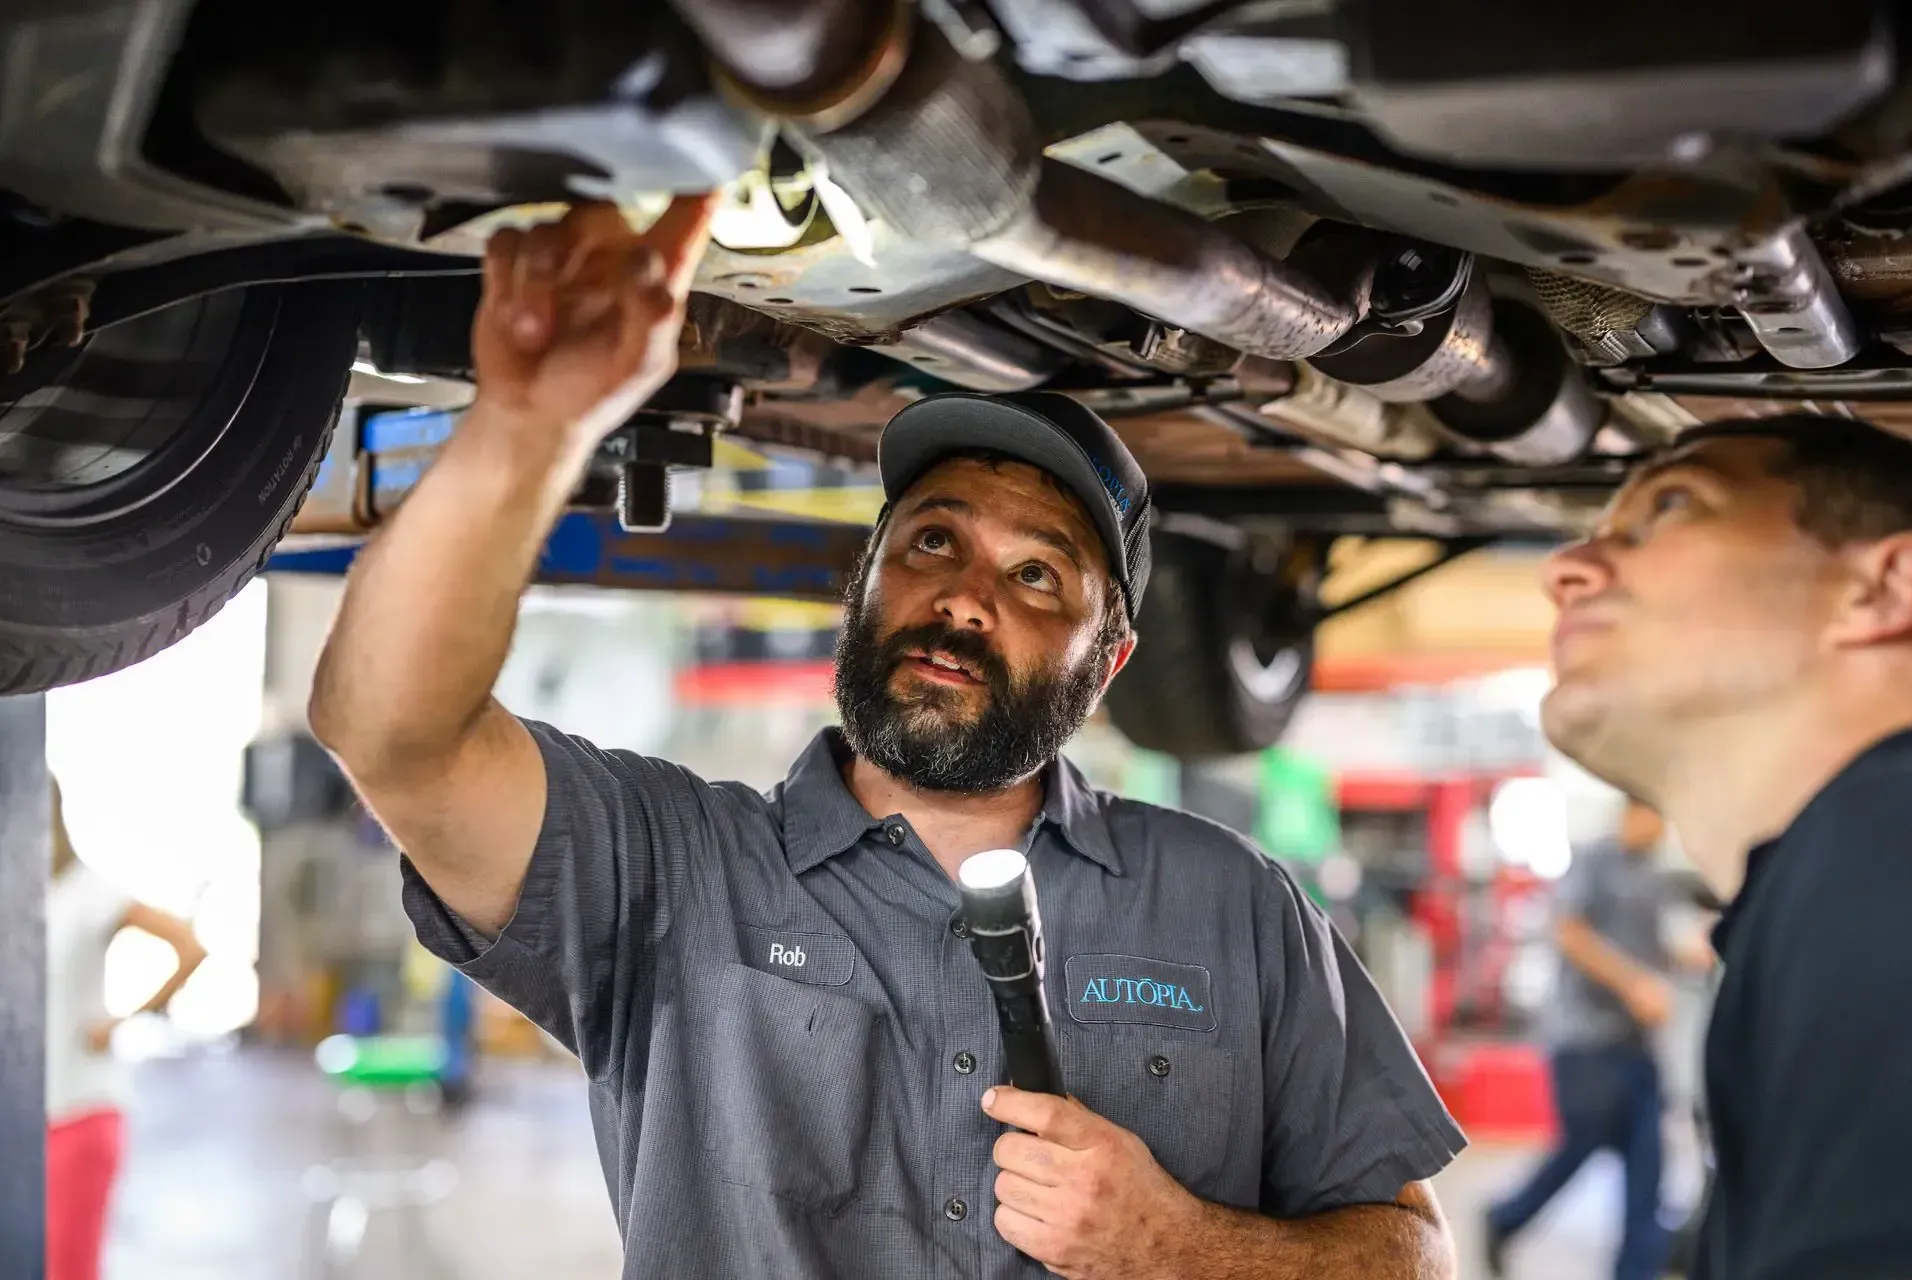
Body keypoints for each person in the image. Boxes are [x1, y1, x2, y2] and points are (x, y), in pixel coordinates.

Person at [309, 197, 1467, 1279]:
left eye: (1035, 574)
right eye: (931, 543)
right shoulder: (672, 871)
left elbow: (1414, 1252)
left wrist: (1181, 1243)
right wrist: (528, 427)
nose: (966, 598)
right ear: (858, 583)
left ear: (1107, 664)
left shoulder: (1234, 905)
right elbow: (393, 734)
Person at [1538, 412, 1912, 1280]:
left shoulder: (1888, 848)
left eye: (1671, 504)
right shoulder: (1827, 876)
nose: (1565, 570)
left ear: (1886, 587)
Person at [1484, 799, 1702, 1280]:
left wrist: (1693, 954)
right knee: (1580, 1147)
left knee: (1648, 1167)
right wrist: (1633, 985)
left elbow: (1653, 948)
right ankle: (1505, 1218)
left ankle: (1636, 1272)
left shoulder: (1652, 874)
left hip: (1637, 1046)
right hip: (1586, 1043)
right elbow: (1570, 933)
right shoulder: (1593, 861)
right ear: (1634, 811)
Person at [45, 781, 206, 1280]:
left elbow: (189, 947)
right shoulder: (20, 893)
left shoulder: (87, 891)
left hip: (79, 1111)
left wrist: (123, 1019)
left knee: (67, 1268)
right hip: (27, 1117)